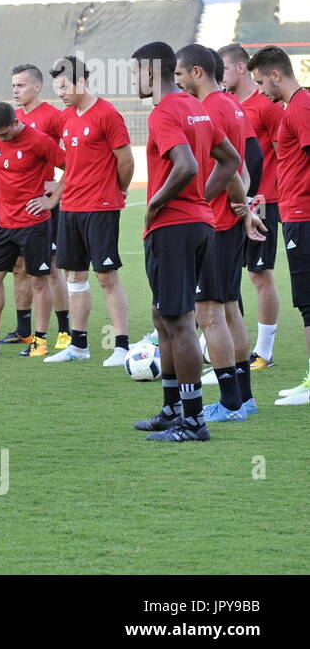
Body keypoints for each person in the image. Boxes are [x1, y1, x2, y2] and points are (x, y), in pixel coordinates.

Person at [129, 42, 243, 442]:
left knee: (178, 322)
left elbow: (187, 165)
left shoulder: (165, 112)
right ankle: (171, 408)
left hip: (173, 228)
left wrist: (157, 202)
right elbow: (229, 161)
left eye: (135, 72)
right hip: (198, 224)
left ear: (149, 71)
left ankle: (193, 421)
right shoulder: (195, 108)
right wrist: (204, 198)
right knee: (165, 317)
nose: (132, 80)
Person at [175, 44, 259, 422]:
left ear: (196, 72)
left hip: (215, 222)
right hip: (228, 220)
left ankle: (228, 404)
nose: (176, 83)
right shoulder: (232, 105)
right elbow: (244, 165)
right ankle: (243, 398)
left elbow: (227, 166)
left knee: (209, 312)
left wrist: (199, 200)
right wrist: (244, 210)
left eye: (178, 75)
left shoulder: (209, 109)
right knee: (228, 309)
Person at [43, 55, 135, 367]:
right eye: (57, 87)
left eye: (64, 86)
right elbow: (70, 165)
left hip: (101, 207)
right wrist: (57, 194)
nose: (60, 92)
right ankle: (78, 345)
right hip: (71, 208)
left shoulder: (107, 114)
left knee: (106, 277)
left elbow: (126, 161)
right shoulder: (66, 117)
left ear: (82, 82)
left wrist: (118, 189)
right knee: (74, 276)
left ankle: (121, 345)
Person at [246, 46, 310, 406]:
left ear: (275, 74)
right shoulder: (295, 107)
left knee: (308, 303)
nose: (260, 91)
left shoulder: (300, 107)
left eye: (260, 82)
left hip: (304, 218)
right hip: (294, 212)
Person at [0, 102, 65, 358]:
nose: (1, 138)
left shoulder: (39, 141)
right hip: (4, 225)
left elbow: (72, 165)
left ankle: (39, 341)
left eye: (5, 134)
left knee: (38, 281)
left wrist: (52, 200)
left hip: (34, 225)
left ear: (16, 122)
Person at [220, 43, 282, 370]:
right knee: (227, 274)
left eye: (224, 69)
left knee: (259, 275)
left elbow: (282, 152)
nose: (220, 77)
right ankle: (227, 343)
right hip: (234, 201)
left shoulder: (266, 106)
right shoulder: (224, 104)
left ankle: (264, 350)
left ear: (241, 68)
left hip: (262, 203)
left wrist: (271, 196)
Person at [10, 63, 72, 353]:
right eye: (13, 85)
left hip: (46, 207)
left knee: (51, 270)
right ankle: (26, 331)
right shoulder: (13, 119)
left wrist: (56, 189)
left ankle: (64, 331)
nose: (15, 90)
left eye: (21, 85)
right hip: (20, 209)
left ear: (36, 87)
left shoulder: (53, 116)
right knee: (22, 268)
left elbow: (75, 156)